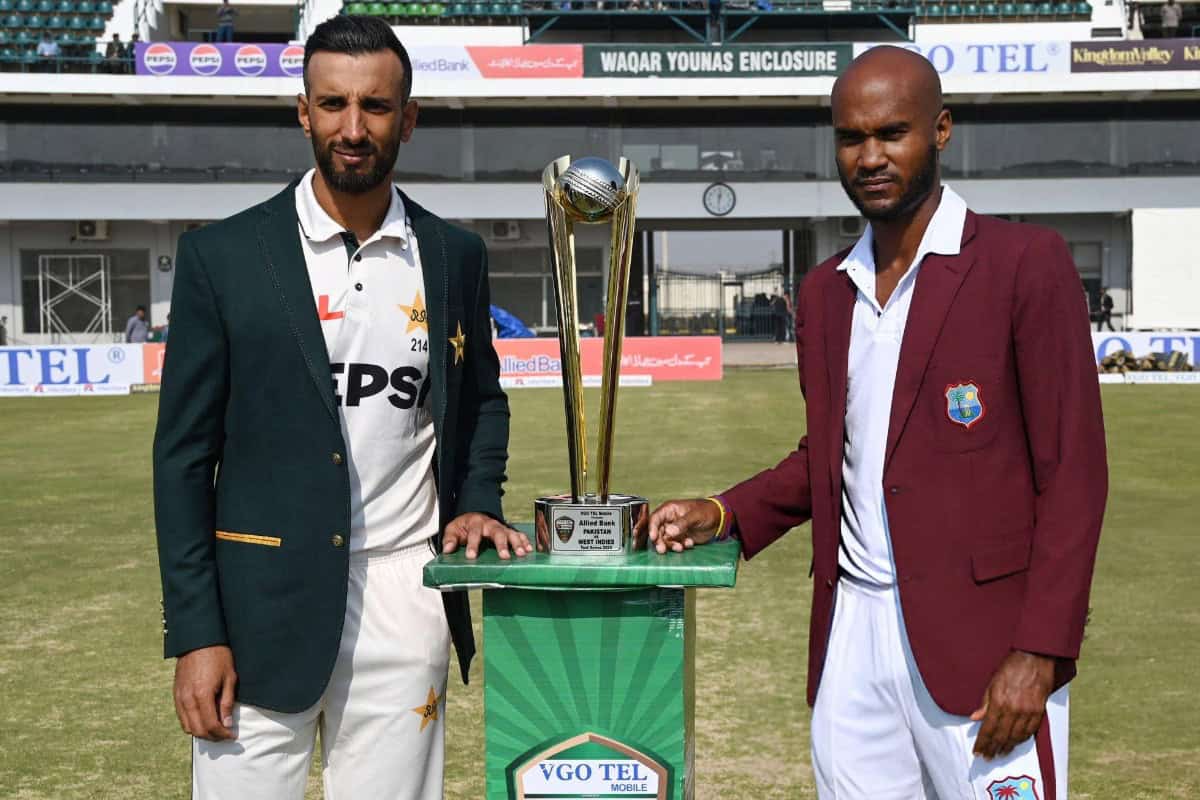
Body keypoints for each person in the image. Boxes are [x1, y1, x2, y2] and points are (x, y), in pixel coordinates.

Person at [649, 46, 1107, 799]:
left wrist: (1041, 649)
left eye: (892, 133)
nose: (870, 157)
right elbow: (835, 456)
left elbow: (1074, 471)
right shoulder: (828, 291)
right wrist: (725, 511)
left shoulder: (1025, 263)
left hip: (984, 650)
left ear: (942, 130)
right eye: (851, 137)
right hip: (852, 640)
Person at [153, 16, 530, 799]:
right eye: (332, 105)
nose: (353, 129)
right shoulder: (221, 258)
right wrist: (196, 632)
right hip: (258, 609)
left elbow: (482, 401)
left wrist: (476, 500)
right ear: (303, 111)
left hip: (406, 596)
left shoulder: (455, 256)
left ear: (410, 118)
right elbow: (183, 460)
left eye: (376, 107)